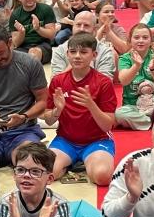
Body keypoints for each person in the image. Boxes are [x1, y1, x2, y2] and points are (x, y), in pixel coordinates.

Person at [42, 33, 116, 185]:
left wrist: (91, 105)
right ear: (67, 54)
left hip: (97, 140)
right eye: (73, 52)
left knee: (102, 177)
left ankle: (86, 161)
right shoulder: (58, 81)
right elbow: (48, 120)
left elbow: (108, 125)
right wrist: (58, 110)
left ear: (94, 55)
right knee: (45, 174)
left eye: (83, 52)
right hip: (65, 141)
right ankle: (71, 162)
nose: (77, 56)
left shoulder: (103, 83)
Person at [0, 24, 48, 166]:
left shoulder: (30, 64)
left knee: (29, 163)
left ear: (10, 43)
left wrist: (24, 117)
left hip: (23, 131)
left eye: (0, 53)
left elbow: (43, 102)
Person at [115, 24, 154, 130]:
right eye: (136, 37)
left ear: (151, 41)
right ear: (130, 41)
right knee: (119, 114)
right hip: (133, 107)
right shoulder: (125, 58)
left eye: (145, 37)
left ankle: (149, 121)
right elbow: (123, 81)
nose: (141, 41)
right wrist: (136, 66)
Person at [51, 10, 116, 78]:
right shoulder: (60, 50)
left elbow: (105, 83)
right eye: (78, 25)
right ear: (73, 27)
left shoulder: (105, 51)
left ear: (94, 30)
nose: (81, 29)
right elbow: (55, 82)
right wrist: (72, 65)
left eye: (86, 25)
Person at [10, 0, 57, 64]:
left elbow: (52, 35)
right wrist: (22, 33)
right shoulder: (15, 14)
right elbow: (16, 43)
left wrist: (38, 29)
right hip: (23, 47)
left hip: (42, 45)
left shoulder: (46, 9)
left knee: (33, 53)